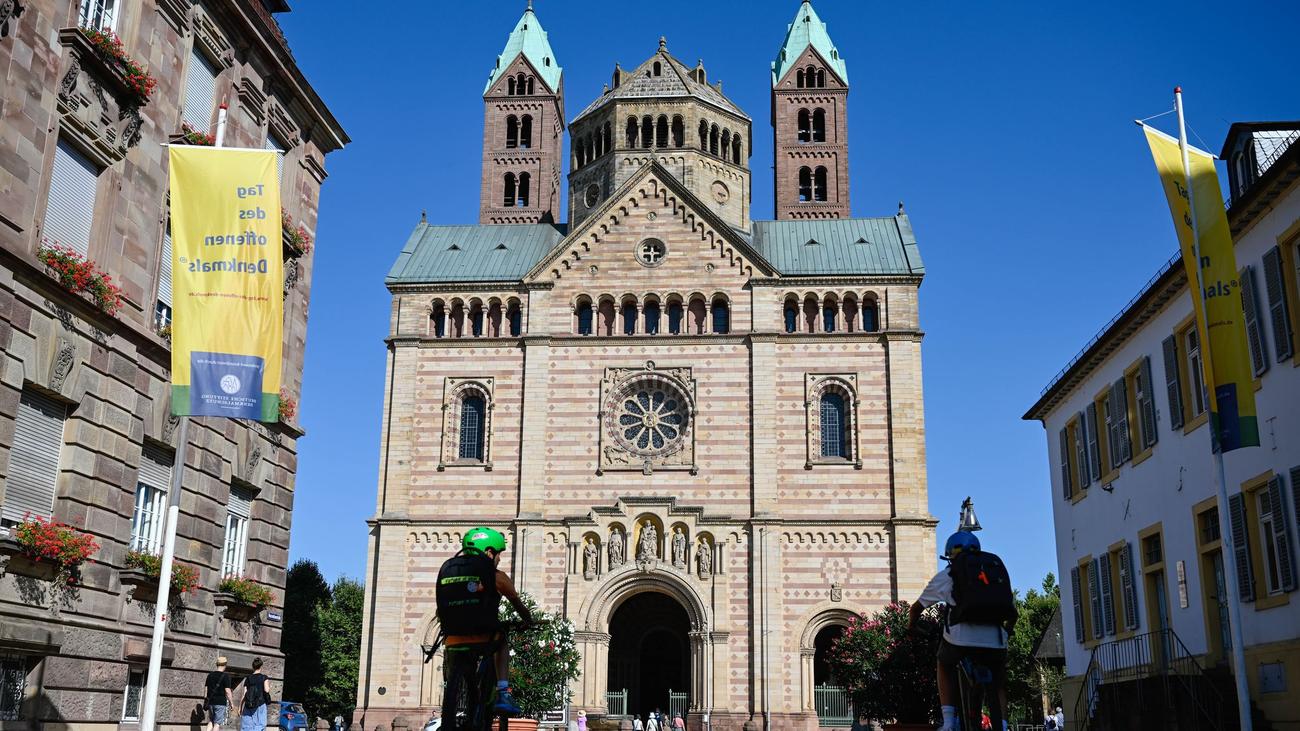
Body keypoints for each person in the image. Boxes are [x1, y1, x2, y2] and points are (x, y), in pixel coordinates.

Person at [907, 531, 1018, 731]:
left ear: (950, 555)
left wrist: (911, 626)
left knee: (944, 663)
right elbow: (1011, 609)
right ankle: (1003, 725)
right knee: (999, 681)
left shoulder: (948, 575)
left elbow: (916, 608)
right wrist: (1007, 631)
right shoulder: (994, 569)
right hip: (996, 637)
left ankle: (948, 722)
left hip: (960, 638)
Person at [435, 526, 535, 715]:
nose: (499, 559)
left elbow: (440, 608)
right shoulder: (497, 576)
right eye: (498, 554)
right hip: (485, 636)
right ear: (489, 552)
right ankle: (503, 693)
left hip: (452, 639)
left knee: (463, 669)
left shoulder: (450, 572)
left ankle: (455, 697)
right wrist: (529, 621)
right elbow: (517, 604)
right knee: (502, 638)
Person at [237, 658, 269, 731]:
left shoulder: (248, 678)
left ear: (253, 667)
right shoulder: (264, 677)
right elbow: (266, 690)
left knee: (247, 726)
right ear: (261, 666)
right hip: (260, 704)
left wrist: (240, 707)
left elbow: (244, 694)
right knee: (260, 725)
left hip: (249, 704)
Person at [204, 656, 234, 731]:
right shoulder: (225, 676)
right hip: (220, 703)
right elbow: (227, 691)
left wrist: (206, 700)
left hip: (210, 702)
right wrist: (231, 703)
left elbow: (206, 690)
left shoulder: (210, 675)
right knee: (217, 723)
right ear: (225, 665)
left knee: (211, 721)